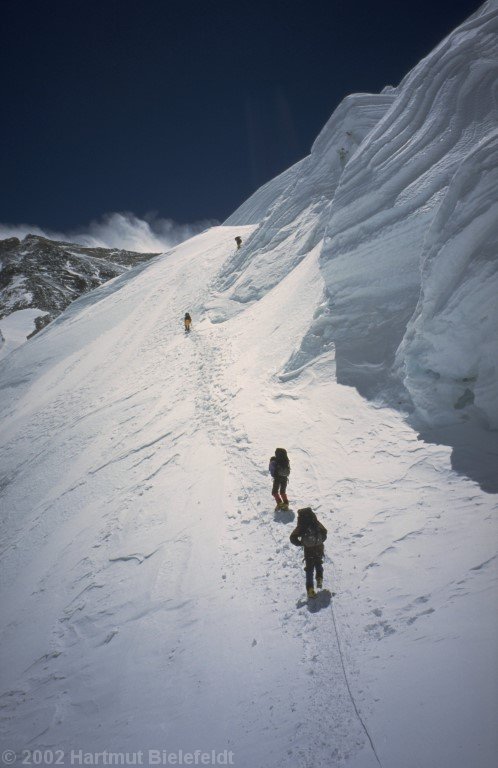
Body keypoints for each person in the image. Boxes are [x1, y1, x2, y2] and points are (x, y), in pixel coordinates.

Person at [290, 507, 327, 598]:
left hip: (308, 550)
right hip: (319, 547)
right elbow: (324, 532)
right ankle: (319, 578)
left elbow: (292, 538)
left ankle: (310, 589)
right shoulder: (315, 522)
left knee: (309, 569)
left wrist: (301, 543)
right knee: (318, 562)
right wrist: (320, 540)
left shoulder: (302, 525)